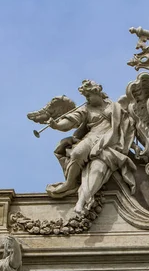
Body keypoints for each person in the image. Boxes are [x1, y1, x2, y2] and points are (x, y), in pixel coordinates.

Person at [46, 79, 136, 213]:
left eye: (89, 95)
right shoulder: (86, 108)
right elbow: (71, 120)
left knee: (97, 170)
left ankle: (81, 202)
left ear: (97, 91)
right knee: (77, 153)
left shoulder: (115, 107)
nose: (87, 98)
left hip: (109, 141)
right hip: (92, 137)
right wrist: (57, 125)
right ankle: (70, 183)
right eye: (85, 96)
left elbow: (125, 129)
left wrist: (134, 146)